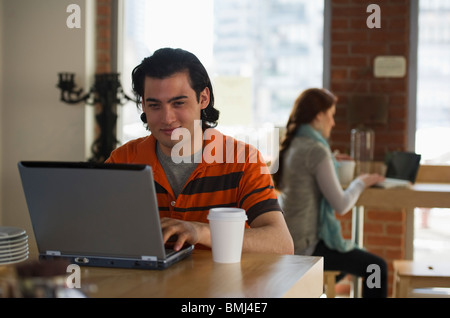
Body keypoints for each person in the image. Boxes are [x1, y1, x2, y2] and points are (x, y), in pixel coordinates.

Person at [106, 48, 294, 255]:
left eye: (178, 103)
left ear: (203, 98)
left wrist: (201, 232)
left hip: (226, 285)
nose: (167, 118)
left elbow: (281, 244)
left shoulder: (243, 160)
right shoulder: (122, 161)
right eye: (154, 105)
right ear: (143, 105)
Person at [272, 88, 388, 297]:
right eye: (331, 115)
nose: (333, 123)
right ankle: (310, 286)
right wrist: (361, 182)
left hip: (289, 240)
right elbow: (341, 205)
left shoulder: (294, 144)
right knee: (376, 268)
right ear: (319, 116)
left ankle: (313, 288)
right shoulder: (316, 150)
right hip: (305, 248)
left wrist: (331, 160)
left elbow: (308, 168)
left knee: (346, 263)